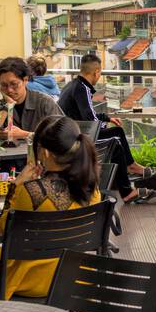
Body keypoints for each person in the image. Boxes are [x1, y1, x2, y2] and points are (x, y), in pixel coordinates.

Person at [0, 116, 102, 300]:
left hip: (31, 283)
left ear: (45, 153)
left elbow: (5, 231)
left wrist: (16, 186)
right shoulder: (92, 191)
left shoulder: (30, 192)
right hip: (77, 278)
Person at [57, 54, 139, 202]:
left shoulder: (73, 85)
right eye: (100, 72)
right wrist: (102, 124)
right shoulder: (83, 89)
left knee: (117, 131)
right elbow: (90, 121)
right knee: (115, 141)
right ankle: (126, 190)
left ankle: (130, 166)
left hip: (72, 134)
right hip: (77, 140)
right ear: (96, 72)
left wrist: (107, 118)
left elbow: (87, 114)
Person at [0, 56, 61, 140]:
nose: (9, 90)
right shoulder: (0, 105)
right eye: (4, 85)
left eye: (14, 84)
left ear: (25, 80)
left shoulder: (44, 103)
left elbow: (62, 134)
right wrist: (7, 107)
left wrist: (25, 134)